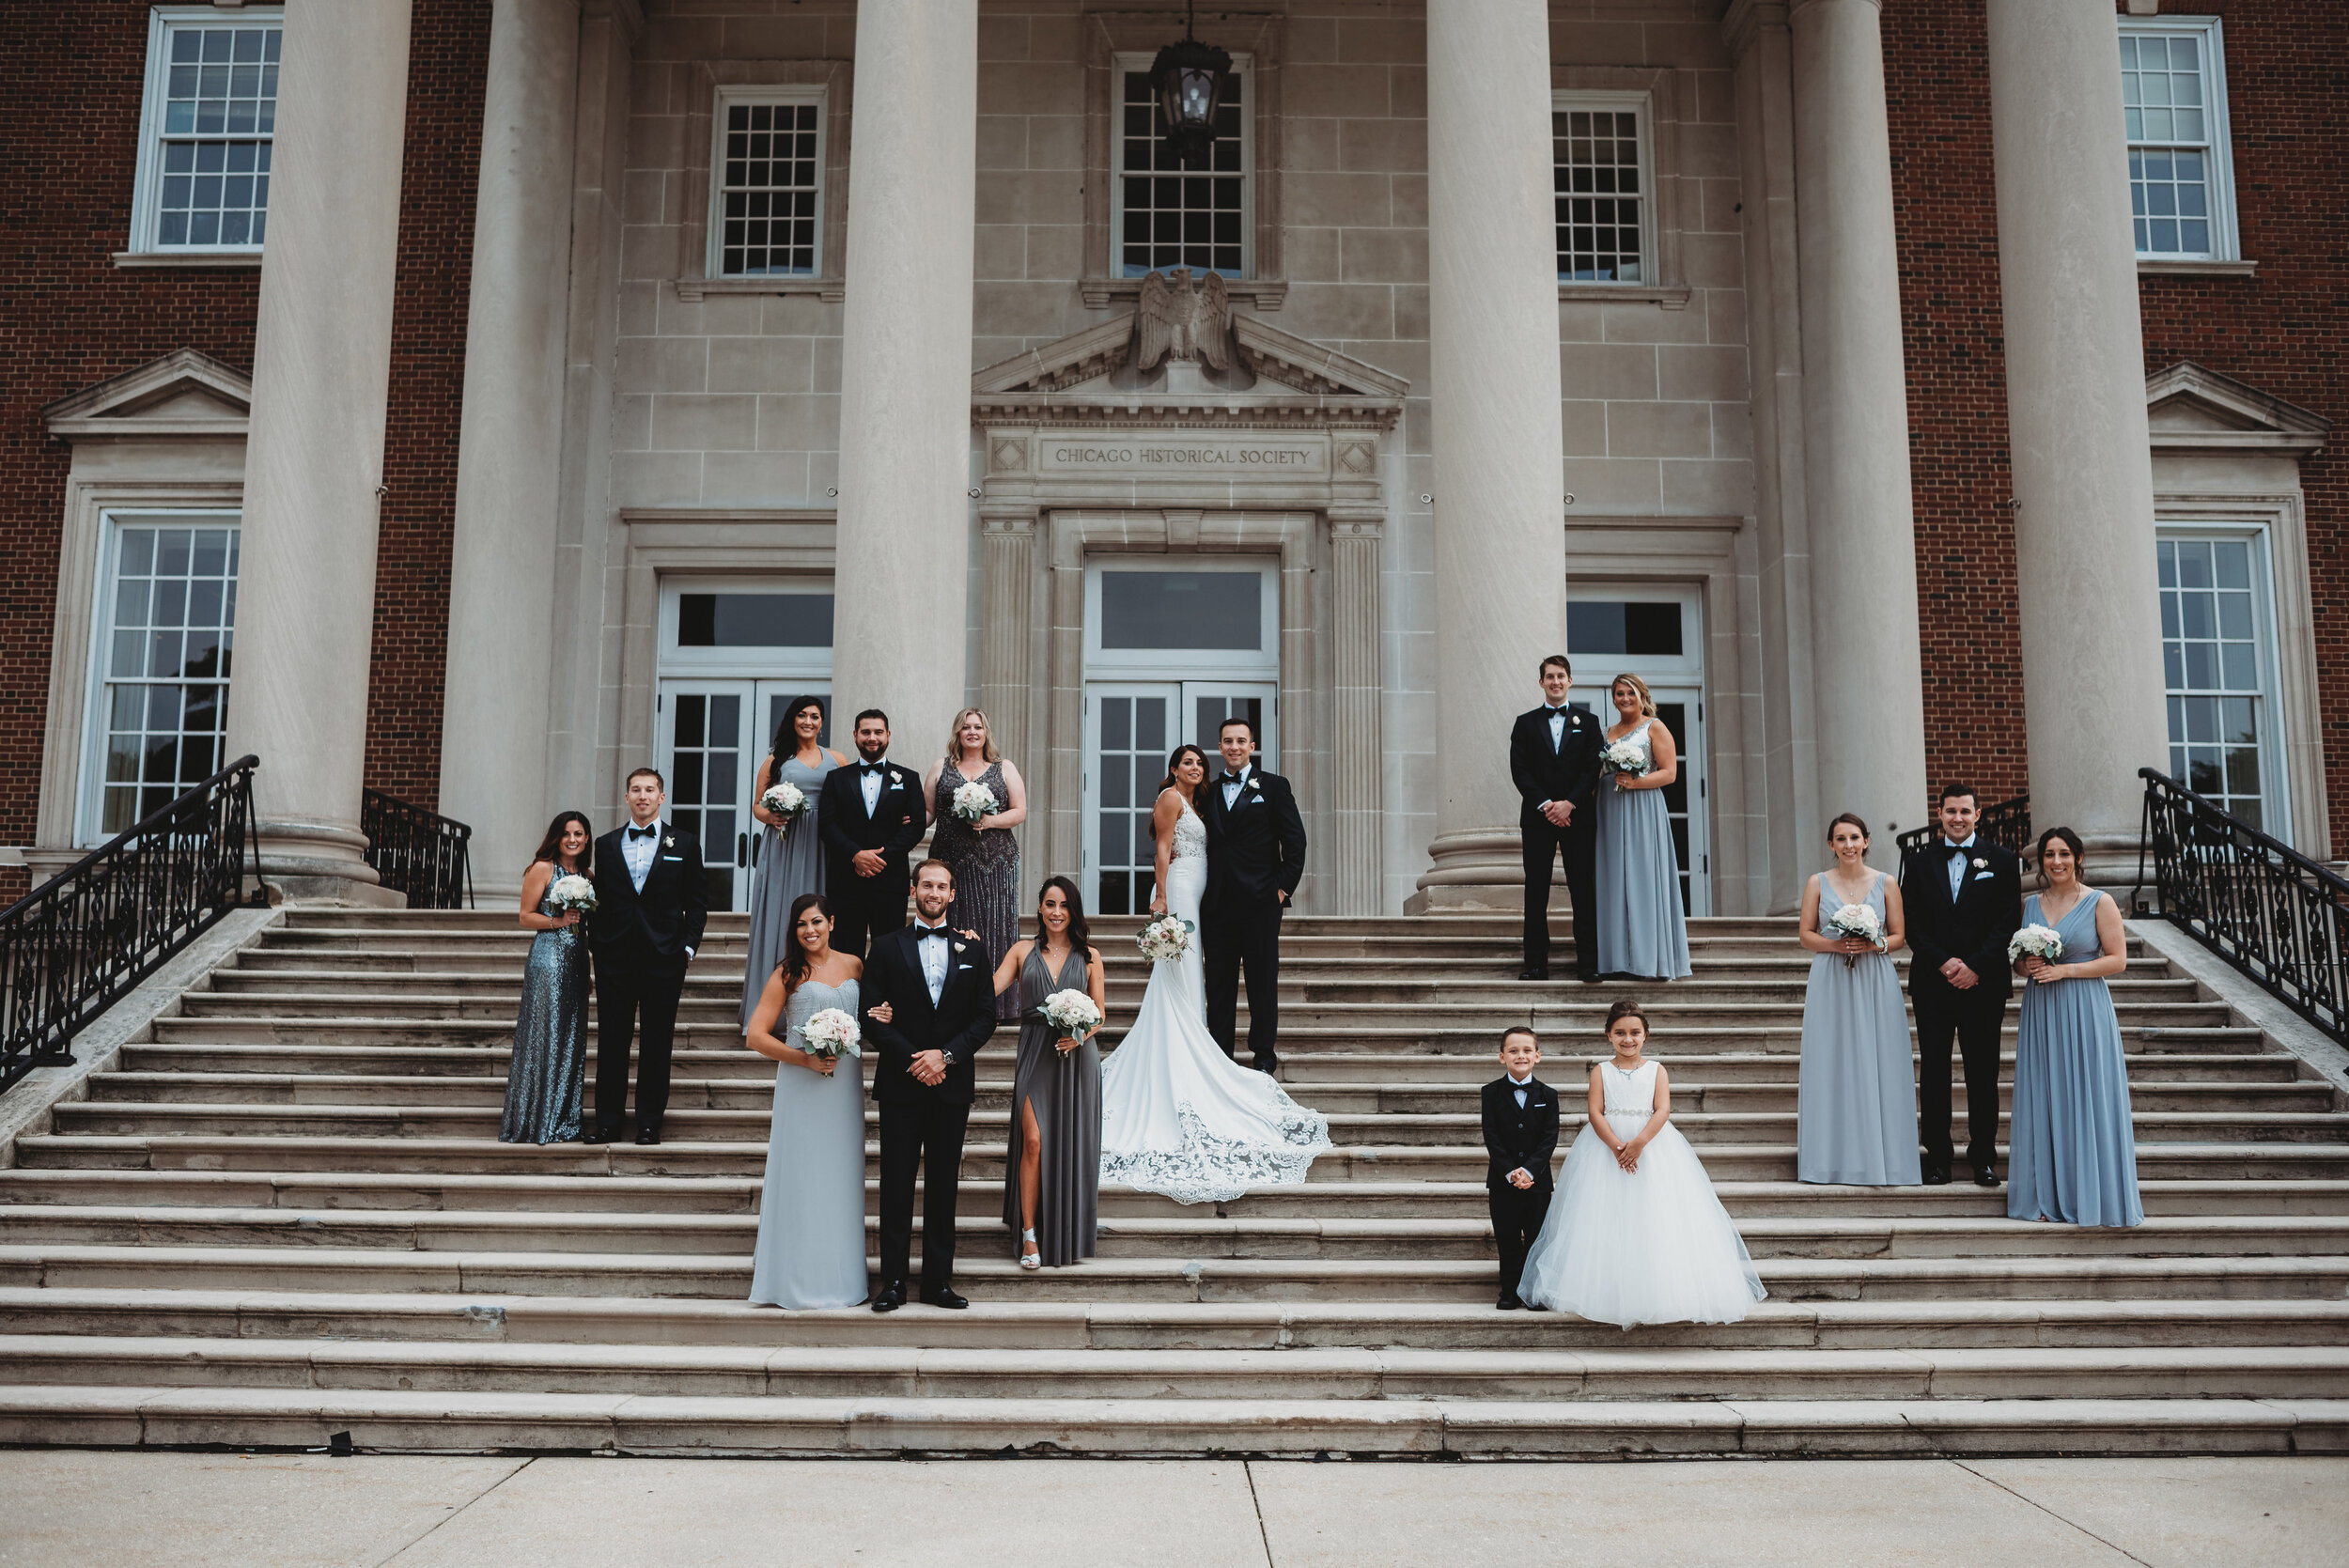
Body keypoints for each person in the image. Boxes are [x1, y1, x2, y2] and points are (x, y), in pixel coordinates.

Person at [1100, 743, 1330, 1203]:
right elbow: (1162, 851)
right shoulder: (1171, 798)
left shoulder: (1205, 799)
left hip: (1219, 898)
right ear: (1172, 768)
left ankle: (1211, 1052)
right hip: (1183, 890)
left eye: (1198, 763)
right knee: (1187, 975)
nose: (1196, 767)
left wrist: (1282, 887)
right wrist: (1162, 898)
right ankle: (1191, 1056)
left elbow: (1287, 839)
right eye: (1188, 762)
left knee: (1199, 980)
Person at [1517, 999, 1766, 1327]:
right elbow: (1595, 1112)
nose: (1628, 1039)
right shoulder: (1600, 1071)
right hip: (1606, 1149)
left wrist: (1638, 1144)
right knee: (1603, 1218)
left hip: (1652, 1147)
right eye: (1620, 1032)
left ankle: (1660, 1291)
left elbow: (1662, 1110)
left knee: (1656, 1215)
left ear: (1645, 1035)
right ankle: (1604, 1289)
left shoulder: (1657, 1070)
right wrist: (1618, 1146)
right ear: (1608, 1035)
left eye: (1635, 1032)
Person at [860, 859, 998, 1311]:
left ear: (952, 894)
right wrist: (915, 1059)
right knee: (896, 1185)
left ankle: (937, 1281)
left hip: (951, 1083)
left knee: (943, 1186)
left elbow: (984, 1017)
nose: (933, 892)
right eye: (926, 885)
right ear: (913, 890)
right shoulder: (884, 946)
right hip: (901, 1082)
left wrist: (947, 1057)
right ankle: (893, 1282)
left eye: (941, 886)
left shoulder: (974, 951)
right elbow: (872, 1017)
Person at [2007, 827, 2144, 1227]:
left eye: (2064, 854)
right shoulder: (2029, 904)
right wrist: (2025, 966)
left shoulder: (2100, 902)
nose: (2056, 862)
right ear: (2041, 861)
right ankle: (2047, 1196)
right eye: (2049, 854)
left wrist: (2066, 969)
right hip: (2042, 1010)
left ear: (2078, 858)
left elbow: (2117, 960)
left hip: (2084, 1007)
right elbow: (2017, 961)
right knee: (2046, 1096)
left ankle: (2092, 1195)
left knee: (2086, 1095)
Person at [744, 893, 869, 1308]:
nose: (809, 930)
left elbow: (873, 1013)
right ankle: (796, 1279)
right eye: (801, 924)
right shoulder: (787, 972)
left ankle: (842, 1280)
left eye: (816, 921)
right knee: (802, 1177)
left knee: (840, 1177)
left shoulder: (854, 964)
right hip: (802, 1082)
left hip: (846, 1082)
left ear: (831, 922)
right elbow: (756, 1035)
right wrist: (805, 1059)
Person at [1900, 784, 2022, 1188]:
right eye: (1950, 811)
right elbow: (1911, 922)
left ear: (1978, 813)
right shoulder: (1917, 862)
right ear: (1940, 813)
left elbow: (2007, 922)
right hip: (1933, 984)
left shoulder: (2003, 861)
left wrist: (1974, 966)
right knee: (1933, 1073)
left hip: (1983, 985)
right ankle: (1937, 1158)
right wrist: (1944, 962)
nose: (1957, 818)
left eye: (1965, 811)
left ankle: (1983, 1157)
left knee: (1982, 1074)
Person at [1795, 814, 1922, 1186]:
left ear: (1866, 841)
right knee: (1831, 1059)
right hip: (1831, 976)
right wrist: (1836, 945)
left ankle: (1883, 1159)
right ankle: (1830, 1159)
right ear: (1831, 845)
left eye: (1854, 837)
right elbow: (1805, 934)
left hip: (1874, 976)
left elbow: (1899, 935)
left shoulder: (1886, 883)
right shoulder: (1817, 882)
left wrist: (1873, 944)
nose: (1848, 845)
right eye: (1840, 838)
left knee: (1877, 1057)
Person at [586, 768, 707, 1146]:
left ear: (661, 796)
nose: (642, 796)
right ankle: (608, 1121)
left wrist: (686, 948)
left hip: (664, 959)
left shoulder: (684, 843)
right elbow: (598, 902)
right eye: (636, 790)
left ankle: (649, 1123)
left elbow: (697, 903)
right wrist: (597, 946)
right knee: (611, 1042)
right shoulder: (605, 845)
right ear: (626, 798)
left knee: (657, 1044)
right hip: (615, 960)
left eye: (649, 790)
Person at [990, 876, 1105, 1268]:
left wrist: (1080, 1034)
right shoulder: (1022, 951)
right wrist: (968, 951)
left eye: (1064, 906)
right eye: (1050, 904)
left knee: (1069, 1143)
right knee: (1034, 1141)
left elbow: (1101, 1014)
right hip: (1036, 1050)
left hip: (1077, 1057)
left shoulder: (1090, 956)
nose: (1057, 913)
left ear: (1072, 911)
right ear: (1039, 908)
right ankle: (1029, 1233)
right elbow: (988, 988)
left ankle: (1065, 1232)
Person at [1200, 714, 1307, 1073]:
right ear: (1219, 747)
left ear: (1252, 747)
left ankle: (1263, 1058)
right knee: (1218, 986)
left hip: (1261, 903)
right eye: (1228, 741)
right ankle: (1220, 1057)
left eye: (1241, 741)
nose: (1234, 747)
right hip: (1216, 907)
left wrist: (1280, 889)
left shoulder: (1274, 787)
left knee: (1262, 983)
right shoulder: (1209, 792)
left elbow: (1296, 842)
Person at [740, 695, 848, 1031]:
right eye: (802, 715)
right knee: (782, 915)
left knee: (820, 915)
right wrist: (772, 815)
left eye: (815, 716)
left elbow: (852, 797)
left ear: (822, 722)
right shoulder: (776, 760)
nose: (809, 721)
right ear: (793, 719)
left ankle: (819, 1003)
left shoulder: (838, 758)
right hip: (786, 846)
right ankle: (770, 1009)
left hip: (824, 844)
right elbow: (756, 806)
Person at [926, 706, 1027, 1021]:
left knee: (995, 927)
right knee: (954, 926)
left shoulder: (1003, 767)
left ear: (986, 733)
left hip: (996, 861)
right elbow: (926, 813)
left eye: (978, 727)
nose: (972, 732)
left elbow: (1020, 811)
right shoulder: (941, 767)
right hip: (951, 860)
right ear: (957, 732)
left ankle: (998, 1005)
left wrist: (991, 820)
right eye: (966, 727)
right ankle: (954, 1001)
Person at [1592, 673, 1692, 982]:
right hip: (1609, 808)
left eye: (1630, 693)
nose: (1624, 699)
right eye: (1619, 694)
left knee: (1642, 877)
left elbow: (1670, 773)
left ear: (1641, 695)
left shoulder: (1655, 727)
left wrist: (1637, 782)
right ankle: (1615, 959)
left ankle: (1649, 960)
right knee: (1613, 879)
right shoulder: (1607, 732)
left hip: (1642, 808)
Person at [501, 811, 593, 1145]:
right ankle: (537, 1119)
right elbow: (525, 917)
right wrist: (560, 921)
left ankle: (565, 1119)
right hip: (549, 958)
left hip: (578, 961)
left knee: (571, 1039)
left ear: (586, 839)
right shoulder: (542, 868)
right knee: (546, 1034)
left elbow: (585, 927)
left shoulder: (586, 874)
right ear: (556, 836)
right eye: (567, 833)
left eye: (579, 834)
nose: (573, 839)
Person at [1510, 655, 1603, 983]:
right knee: (1536, 891)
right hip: (1538, 819)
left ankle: (1589, 963)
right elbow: (1519, 770)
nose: (1556, 682)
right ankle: (1535, 964)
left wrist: (1569, 804)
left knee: (1583, 889)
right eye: (1549, 676)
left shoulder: (1589, 723)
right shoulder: (1525, 723)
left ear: (1570, 681)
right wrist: (1548, 804)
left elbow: (1592, 769)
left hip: (1578, 818)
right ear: (1541, 683)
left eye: (1561, 676)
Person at [817, 708, 927, 958]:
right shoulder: (836, 779)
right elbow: (826, 824)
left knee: (889, 951)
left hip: (889, 880)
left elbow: (916, 826)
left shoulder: (909, 779)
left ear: (888, 735)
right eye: (866, 732)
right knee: (844, 950)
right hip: (845, 879)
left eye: (878, 732)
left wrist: (880, 857)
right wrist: (855, 855)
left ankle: (885, 999)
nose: (872, 737)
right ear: (855, 735)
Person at [1483, 1025, 1560, 1311]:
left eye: (1527, 1050)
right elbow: (1491, 1135)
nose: (1520, 1055)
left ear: (1537, 1056)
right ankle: (1509, 1290)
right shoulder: (1490, 1093)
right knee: (1507, 1237)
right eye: (1513, 1050)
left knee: (1537, 1238)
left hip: (1538, 1182)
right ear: (1502, 1057)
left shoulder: (1548, 1095)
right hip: (1502, 1182)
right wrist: (1510, 1171)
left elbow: (1549, 1138)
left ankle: (1534, 1291)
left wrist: (1529, 1171)